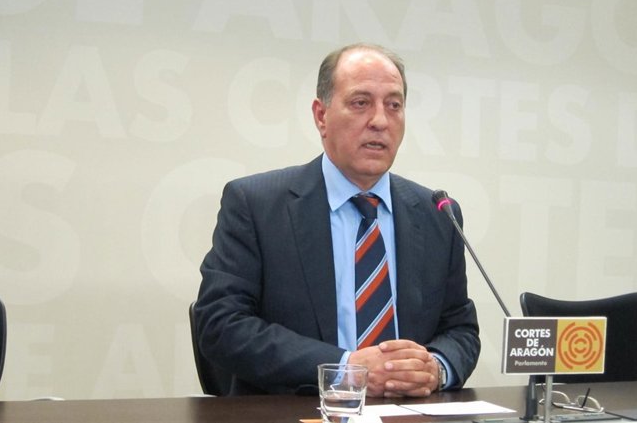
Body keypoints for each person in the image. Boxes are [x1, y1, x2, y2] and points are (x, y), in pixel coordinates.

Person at [195, 43, 480, 397]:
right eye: (361, 103)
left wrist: (435, 368)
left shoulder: (437, 213)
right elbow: (221, 325)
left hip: (407, 414)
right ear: (321, 116)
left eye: (394, 105)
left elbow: (460, 329)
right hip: (295, 409)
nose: (380, 121)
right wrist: (346, 369)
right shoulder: (256, 204)